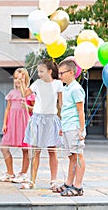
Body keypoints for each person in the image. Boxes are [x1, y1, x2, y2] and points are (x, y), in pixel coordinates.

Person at [21, 59, 63, 190]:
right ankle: (32, 181)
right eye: (38, 71)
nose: (39, 74)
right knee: (35, 152)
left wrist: (62, 122)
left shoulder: (58, 84)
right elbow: (24, 94)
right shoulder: (37, 83)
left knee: (52, 151)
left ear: (50, 71)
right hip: (37, 119)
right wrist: (23, 83)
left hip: (51, 119)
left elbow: (61, 104)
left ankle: (53, 181)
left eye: (41, 71)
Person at [53, 59, 86, 196]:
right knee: (71, 156)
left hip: (74, 127)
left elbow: (80, 111)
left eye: (62, 73)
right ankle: (68, 183)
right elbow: (66, 110)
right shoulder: (66, 88)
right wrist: (62, 126)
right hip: (67, 126)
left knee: (78, 156)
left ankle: (78, 186)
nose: (60, 76)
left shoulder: (76, 88)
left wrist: (81, 130)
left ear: (71, 72)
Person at [0, 68, 35, 183]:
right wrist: (4, 123)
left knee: (25, 149)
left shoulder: (30, 93)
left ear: (26, 79)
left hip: (24, 124)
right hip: (12, 124)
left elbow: (35, 109)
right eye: (15, 78)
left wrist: (28, 107)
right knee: (4, 147)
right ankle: (10, 173)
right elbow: (8, 109)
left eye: (20, 78)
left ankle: (23, 173)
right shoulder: (11, 93)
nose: (17, 80)